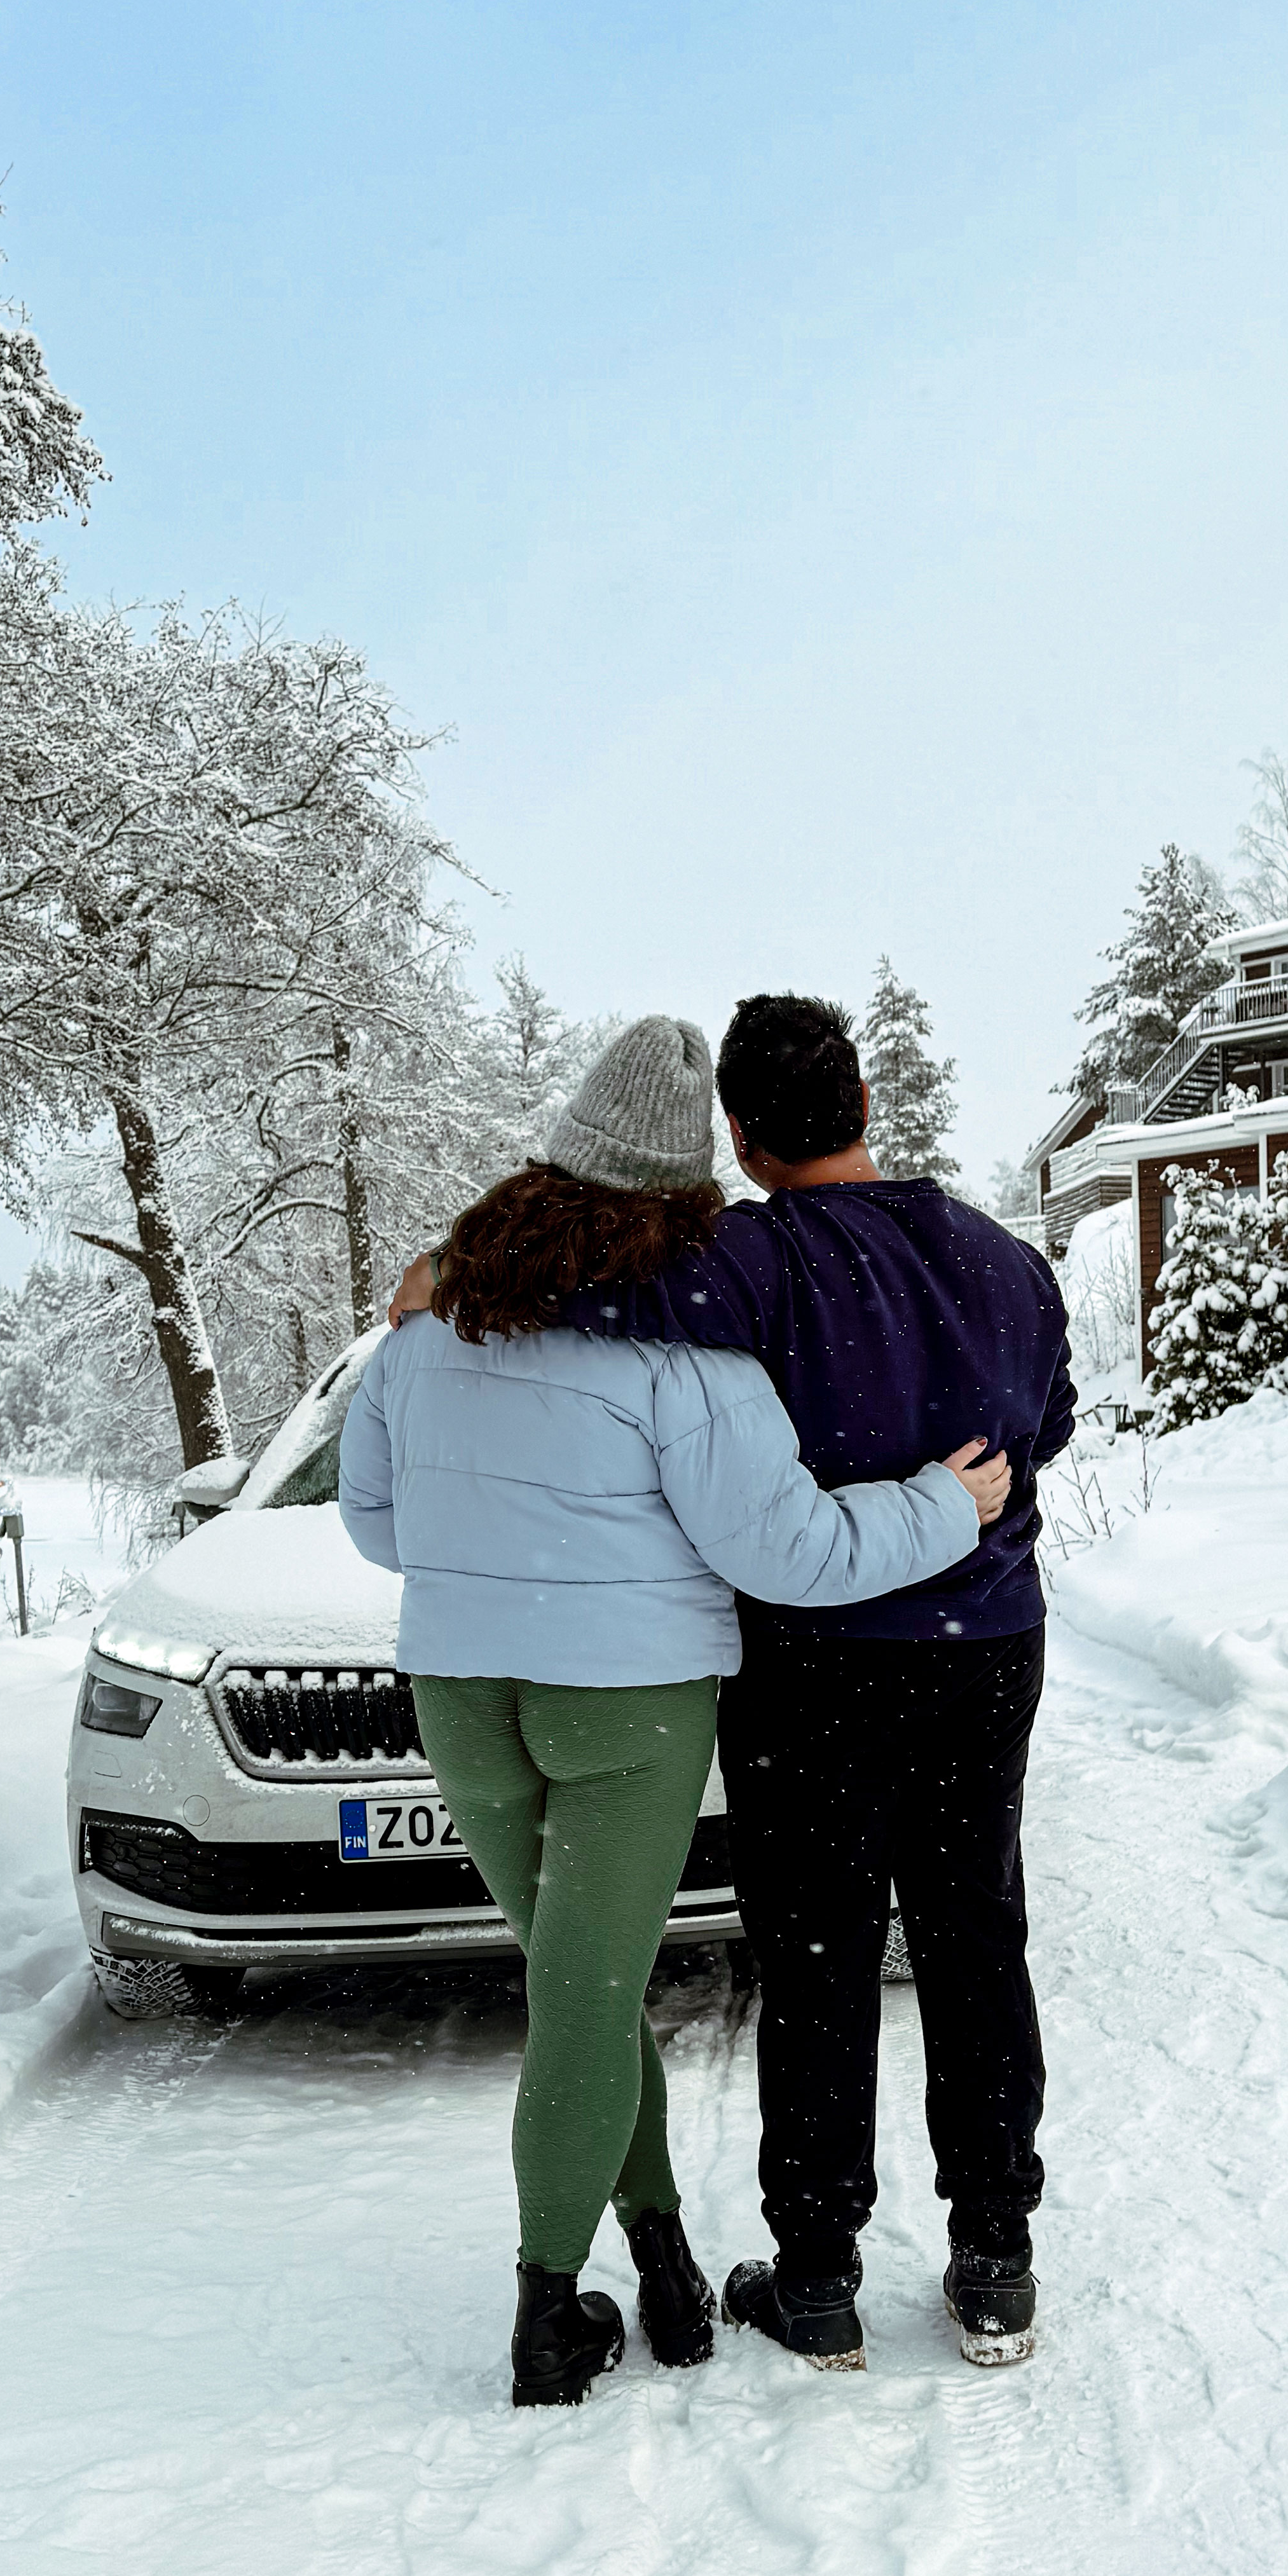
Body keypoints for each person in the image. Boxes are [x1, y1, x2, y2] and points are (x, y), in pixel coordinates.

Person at [339, 1013, 1010, 2410]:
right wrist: (944, 1506)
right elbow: (791, 1554)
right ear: (699, 1177)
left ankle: (659, 2252)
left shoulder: (424, 1334)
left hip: (462, 1692)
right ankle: (546, 2308)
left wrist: (499, 1568)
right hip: (626, 1707)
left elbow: (378, 1525)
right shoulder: (685, 1356)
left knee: (575, 1984)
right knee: (585, 1995)